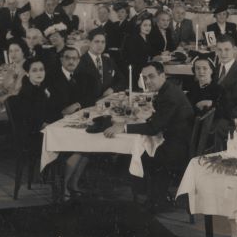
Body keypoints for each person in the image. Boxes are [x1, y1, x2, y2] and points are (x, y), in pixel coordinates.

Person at [105, 62, 194, 211]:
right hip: (179, 139)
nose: (147, 81)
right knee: (142, 148)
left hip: (177, 147)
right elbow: (161, 120)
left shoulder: (169, 95)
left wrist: (123, 127)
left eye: (151, 77)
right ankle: (156, 196)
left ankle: (154, 200)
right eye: (144, 78)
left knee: (138, 155)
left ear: (162, 76)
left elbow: (153, 129)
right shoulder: (168, 90)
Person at [76, 29, 118, 98]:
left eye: (103, 42)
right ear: (89, 43)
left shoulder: (108, 60)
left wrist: (112, 89)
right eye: (97, 42)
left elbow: (122, 80)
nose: (100, 45)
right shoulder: (80, 62)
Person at [122, 18, 162, 91]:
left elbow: (150, 52)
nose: (148, 28)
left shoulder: (146, 37)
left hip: (143, 70)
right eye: (145, 25)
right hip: (135, 73)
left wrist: (161, 54)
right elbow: (133, 59)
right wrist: (151, 60)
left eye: (149, 25)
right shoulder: (132, 39)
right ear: (139, 26)